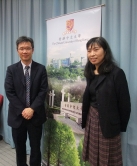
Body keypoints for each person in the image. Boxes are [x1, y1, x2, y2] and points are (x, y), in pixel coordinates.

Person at [82, 37, 131, 166]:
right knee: (93, 158)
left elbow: (125, 104)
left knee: (108, 160)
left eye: (96, 50)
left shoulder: (117, 73)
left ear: (105, 51)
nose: (92, 54)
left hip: (108, 123)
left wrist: (117, 127)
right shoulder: (90, 73)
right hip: (91, 120)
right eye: (89, 51)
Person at [5, 36, 48, 166]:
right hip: (17, 116)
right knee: (20, 149)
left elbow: (43, 91)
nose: (25, 51)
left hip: (36, 115)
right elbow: (10, 92)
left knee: (35, 148)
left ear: (32, 50)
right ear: (17, 50)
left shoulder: (41, 69)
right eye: (21, 48)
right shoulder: (11, 70)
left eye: (27, 48)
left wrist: (32, 109)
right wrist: (23, 110)